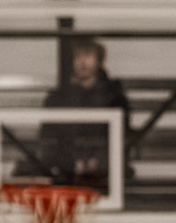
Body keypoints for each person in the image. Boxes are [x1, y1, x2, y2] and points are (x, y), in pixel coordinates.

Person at [41, 37, 130, 188]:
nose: (82, 62)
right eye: (77, 56)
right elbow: (49, 137)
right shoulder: (56, 98)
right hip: (66, 172)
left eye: (88, 55)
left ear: (99, 59)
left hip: (105, 171)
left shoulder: (114, 95)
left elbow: (122, 134)